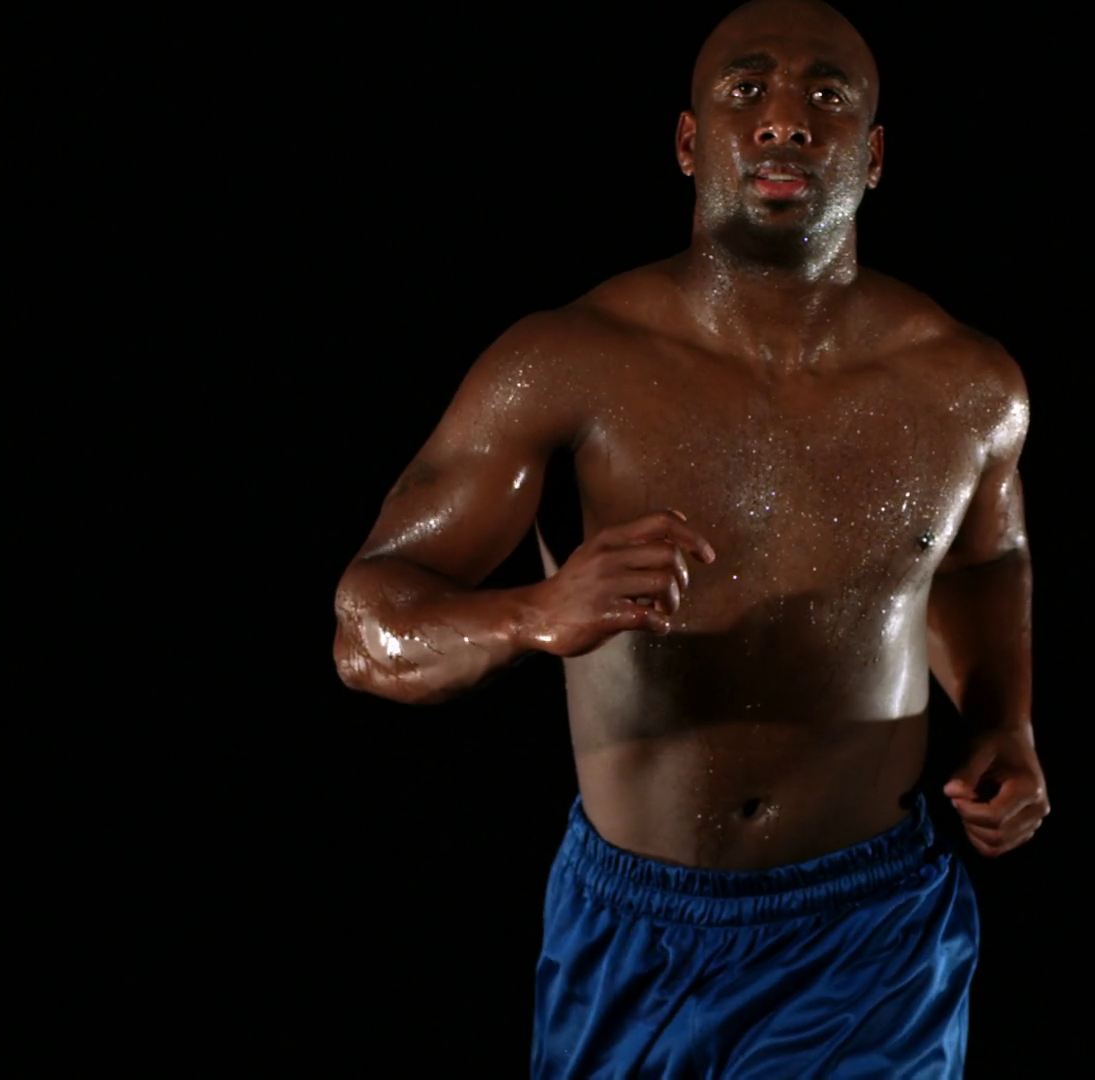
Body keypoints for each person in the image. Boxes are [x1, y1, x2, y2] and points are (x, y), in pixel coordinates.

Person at [332, 0, 1048, 1072]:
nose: (785, 121)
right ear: (688, 141)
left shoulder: (969, 387)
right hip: (634, 937)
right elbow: (365, 625)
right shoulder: (565, 362)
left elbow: (985, 561)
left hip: (872, 940)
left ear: (873, 156)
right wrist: (531, 616)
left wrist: (1004, 721)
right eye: (747, 91)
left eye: (826, 98)